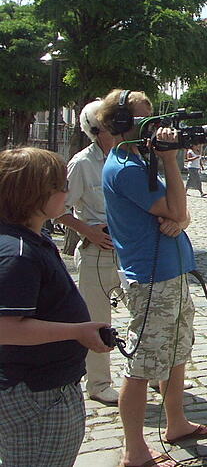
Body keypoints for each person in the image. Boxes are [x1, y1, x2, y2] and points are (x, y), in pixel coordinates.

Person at [98, 90, 207, 467]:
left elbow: (180, 216)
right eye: (143, 120)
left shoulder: (138, 162)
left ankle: (176, 423)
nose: (154, 128)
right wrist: (171, 161)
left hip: (172, 274)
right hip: (152, 280)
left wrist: (179, 218)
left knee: (176, 353)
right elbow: (178, 207)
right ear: (121, 125)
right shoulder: (126, 168)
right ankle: (134, 451)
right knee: (143, 365)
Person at [0, 147, 113, 467]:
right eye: (61, 187)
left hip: (49, 385)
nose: (67, 193)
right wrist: (78, 331)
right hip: (38, 392)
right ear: (34, 194)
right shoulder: (18, 252)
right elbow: (5, 327)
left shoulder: (27, 238)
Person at [55, 100, 122, 406]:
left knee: (144, 312)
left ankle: (154, 373)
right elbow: (59, 210)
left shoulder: (127, 159)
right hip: (98, 249)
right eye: (110, 127)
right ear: (97, 131)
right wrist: (89, 231)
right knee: (98, 318)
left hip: (130, 249)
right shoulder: (82, 163)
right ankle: (98, 383)